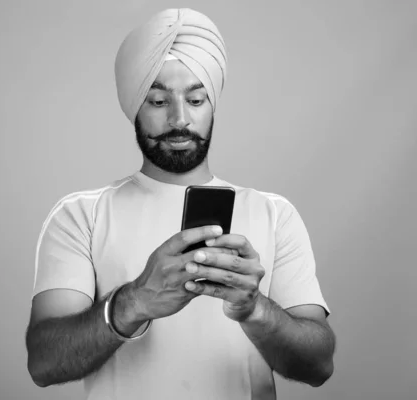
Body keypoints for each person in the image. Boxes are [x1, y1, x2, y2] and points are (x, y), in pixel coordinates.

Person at [25, 8, 335, 400]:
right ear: (134, 107)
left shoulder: (274, 215)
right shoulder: (79, 216)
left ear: (212, 105)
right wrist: (134, 301)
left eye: (195, 98)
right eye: (157, 101)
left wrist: (256, 309)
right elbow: (44, 363)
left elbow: (319, 366)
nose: (180, 118)